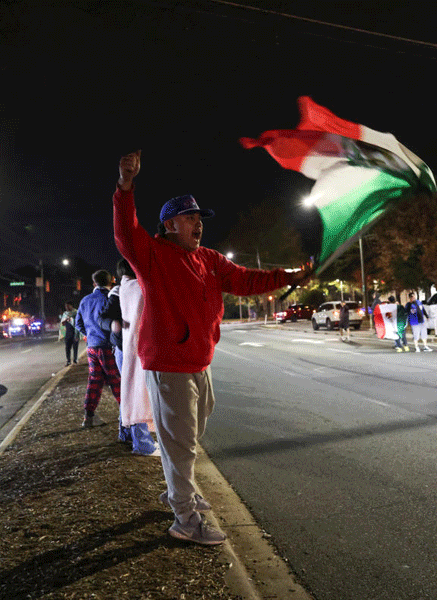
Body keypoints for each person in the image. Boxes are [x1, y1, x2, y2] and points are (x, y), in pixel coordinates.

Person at [113, 150, 311, 545]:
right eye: (190, 218)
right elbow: (124, 232)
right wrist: (126, 185)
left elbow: (247, 280)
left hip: (198, 361)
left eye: (199, 219)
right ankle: (184, 518)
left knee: (191, 428)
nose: (197, 224)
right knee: (181, 439)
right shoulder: (152, 255)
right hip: (168, 363)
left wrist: (292, 274)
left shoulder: (209, 260)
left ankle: (176, 490)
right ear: (170, 225)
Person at [115, 258, 159, 456]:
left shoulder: (122, 288)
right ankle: (143, 445)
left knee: (131, 392)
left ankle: (130, 436)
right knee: (139, 393)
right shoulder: (136, 287)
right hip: (136, 348)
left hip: (127, 346)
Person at [75, 270, 122, 427]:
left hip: (92, 346)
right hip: (107, 346)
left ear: (94, 283)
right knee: (116, 380)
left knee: (95, 380)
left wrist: (89, 334)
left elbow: (78, 324)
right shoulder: (110, 298)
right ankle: (126, 417)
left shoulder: (85, 300)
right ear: (111, 282)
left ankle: (88, 416)